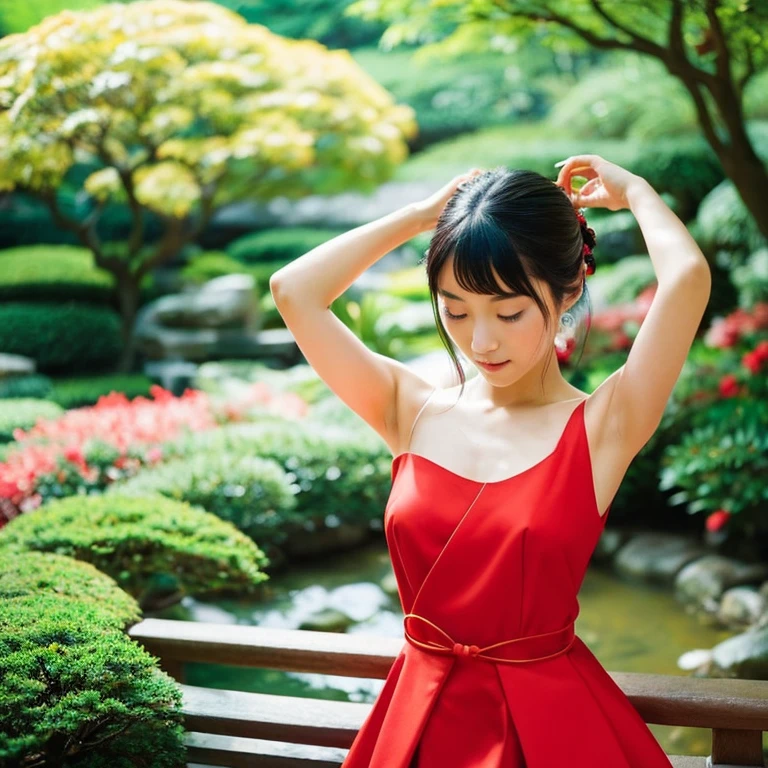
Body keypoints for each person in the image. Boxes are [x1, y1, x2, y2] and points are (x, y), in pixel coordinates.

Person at [270, 155, 711, 767]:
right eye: (455, 310)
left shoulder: (603, 428)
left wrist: (636, 190)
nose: (481, 342)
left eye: (508, 313)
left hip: (548, 729)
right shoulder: (408, 409)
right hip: (417, 719)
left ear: (569, 291)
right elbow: (295, 291)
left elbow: (686, 277)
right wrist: (425, 216)